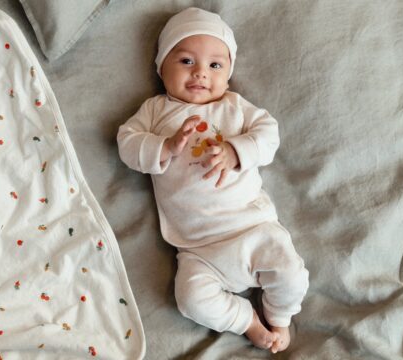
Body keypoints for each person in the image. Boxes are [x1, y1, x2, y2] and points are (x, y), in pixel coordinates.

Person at [117, 7, 309, 353]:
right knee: (190, 299)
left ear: (229, 73)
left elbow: (269, 134)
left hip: (252, 227)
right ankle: (247, 321)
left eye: (215, 65)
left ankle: (279, 318)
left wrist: (238, 151)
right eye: (186, 61)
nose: (200, 74)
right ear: (161, 67)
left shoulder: (234, 107)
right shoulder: (155, 111)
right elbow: (127, 143)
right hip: (197, 249)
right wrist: (165, 146)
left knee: (291, 274)